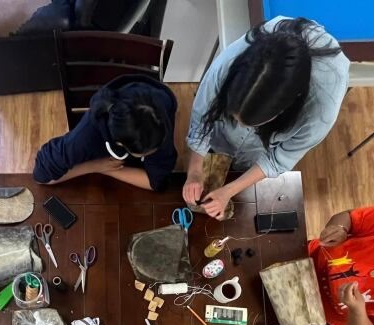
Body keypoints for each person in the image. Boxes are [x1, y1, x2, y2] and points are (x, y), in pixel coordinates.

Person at [183, 17, 349, 219]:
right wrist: (194, 171)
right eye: (233, 117)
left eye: (251, 123)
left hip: (258, 148)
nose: (238, 127)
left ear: (283, 111)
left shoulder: (321, 111)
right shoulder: (232, 62)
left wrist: (229, 191)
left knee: (246, 164)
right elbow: (203, 115)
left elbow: (277, 160)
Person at [33, 74, 178, 192]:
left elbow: (156, 182)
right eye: (147, 153)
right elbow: (41, 176)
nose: (155, 153)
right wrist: (95, 166)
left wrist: (109, 170)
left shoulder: (159, 116)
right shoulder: (86, 137)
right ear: (120, 143)